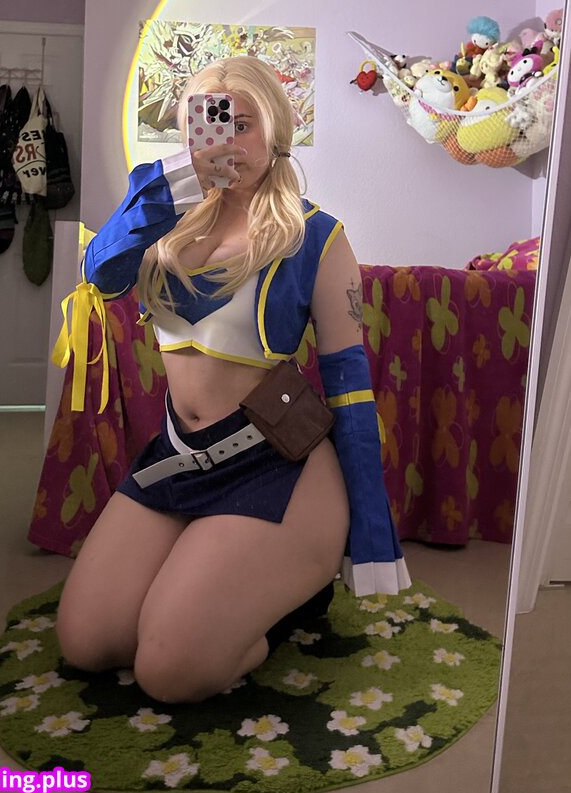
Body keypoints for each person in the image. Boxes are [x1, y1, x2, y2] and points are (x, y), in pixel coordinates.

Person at [55, 56, 410, 704]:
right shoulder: (163, 219)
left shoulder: (316, 236)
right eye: (210, 123)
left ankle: (275, 605)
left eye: (243, 124)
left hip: (277, 465)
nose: (228, 141)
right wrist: (173, 187)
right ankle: (215, 579)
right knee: (87, 642)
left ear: (275, 130)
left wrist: (371, 534)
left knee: (169, 671)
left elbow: (351, 388)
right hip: (177, 459)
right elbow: (100, 275)